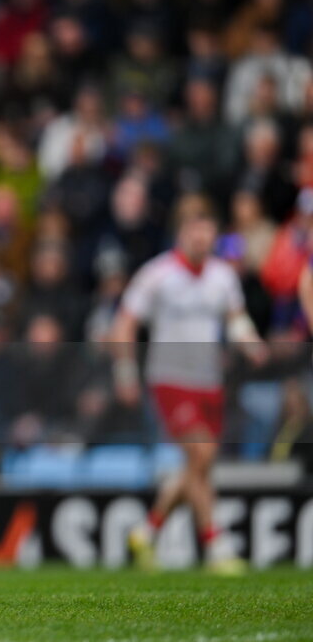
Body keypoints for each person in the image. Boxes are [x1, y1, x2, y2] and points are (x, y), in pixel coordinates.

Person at [110, 194, 267, 575]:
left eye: (207, 229)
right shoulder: (157, 274)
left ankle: (146, 531)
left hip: (209, 382)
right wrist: (126, 374)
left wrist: (252, 344)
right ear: (182, 232)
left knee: (198, 468)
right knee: (201, 458)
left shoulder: (222, 276)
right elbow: (124, 325)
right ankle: (217, 545)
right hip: (170, 380)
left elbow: (235, 318)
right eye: (194, 229)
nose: (202, 237)